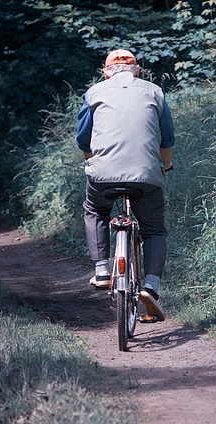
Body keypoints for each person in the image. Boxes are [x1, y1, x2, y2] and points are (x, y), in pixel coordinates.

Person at [75, 48, 175, 321]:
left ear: (105, 72)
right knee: (153, 229)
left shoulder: (94, 92)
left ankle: (102, 270)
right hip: (147, 175)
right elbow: (167, 139)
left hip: (102, 175)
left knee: (95, 210)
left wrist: (96, 163)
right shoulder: (155, 91)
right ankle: (151, 286)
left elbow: (83, 141)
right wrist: (164, 167)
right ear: (138, 70)